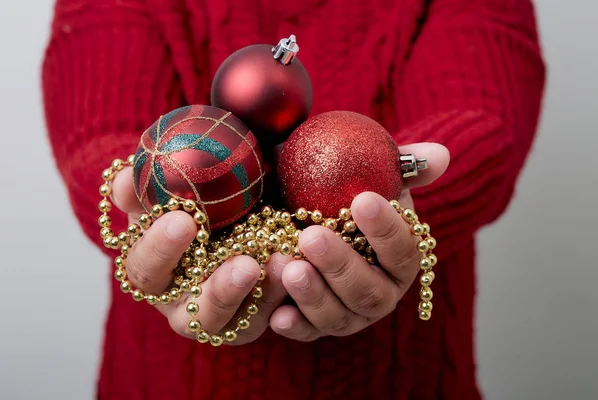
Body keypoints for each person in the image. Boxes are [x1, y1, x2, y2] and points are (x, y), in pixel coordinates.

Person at [41, 0, 545, 398]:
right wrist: (141, 216)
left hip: (405, 378)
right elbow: (98, 136)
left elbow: (483, 121)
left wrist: (382, 205)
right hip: (163, 381)